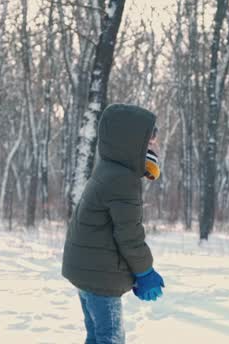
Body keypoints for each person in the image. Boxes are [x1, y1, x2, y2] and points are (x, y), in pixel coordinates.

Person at [62, 103, 165, 344]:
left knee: (97, 337)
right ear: (133, 144)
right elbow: (129, 234)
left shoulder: (108, 169)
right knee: (111, 339)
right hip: (99, 278)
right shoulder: (123, 179)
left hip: (87, 271)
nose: (156, 145)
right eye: (150, 141)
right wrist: (144, 271)